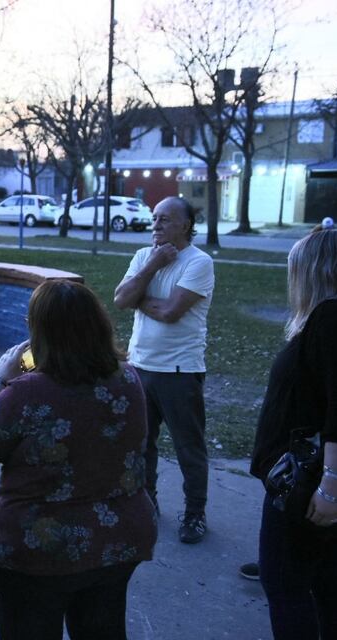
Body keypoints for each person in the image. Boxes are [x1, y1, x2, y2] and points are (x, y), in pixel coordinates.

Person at [0, 280, 157, 640]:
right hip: (118, 541)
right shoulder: (127, 379)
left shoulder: (27, 392)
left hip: (39, 552)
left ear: (41, 332)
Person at [250, 229, 337, 639]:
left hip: (309, 484)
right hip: (332, 480)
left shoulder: (335, 317)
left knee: (286, 583)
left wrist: (331, 486)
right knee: (331, 577)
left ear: (316, 271)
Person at [113, 195, 214, 543]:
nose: (156, 225)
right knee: (141, 444)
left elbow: (172, 311)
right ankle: (148, 503)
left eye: (165, 219)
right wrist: (151, 266)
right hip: (140, 366)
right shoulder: (145, 256)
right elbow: (120, 299)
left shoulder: (198, 263)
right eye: (154, 218)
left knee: (189, 448)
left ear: (185, 225)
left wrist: (140, 299)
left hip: (180, 371)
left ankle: (195, 514)